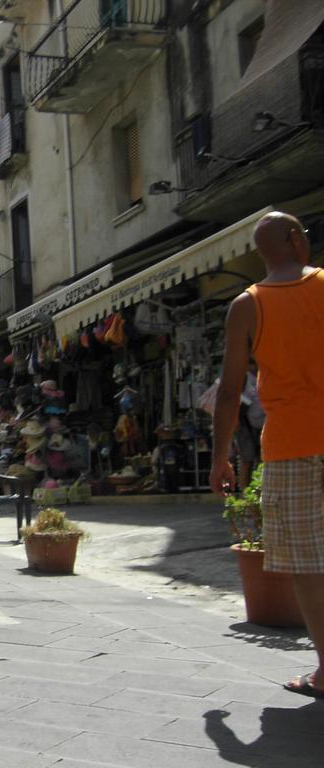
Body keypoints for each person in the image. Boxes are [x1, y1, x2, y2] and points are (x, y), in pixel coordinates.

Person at [211, 211, 324, 699]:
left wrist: (220, 458)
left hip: (290, 449)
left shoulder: (246, 306)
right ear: (297, 239)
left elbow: (231, 390)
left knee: (306, 564)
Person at [233, 360, 265, 490]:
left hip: (260, 423)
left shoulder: (261, 377)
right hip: (244, 424)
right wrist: (236, 421)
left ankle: (256, 490)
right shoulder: (244, 378)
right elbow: (237, 400)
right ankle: (244, 492)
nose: (255, 366)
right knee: (247, 458)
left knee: (260, 459)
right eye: (252, 363)